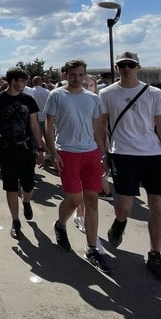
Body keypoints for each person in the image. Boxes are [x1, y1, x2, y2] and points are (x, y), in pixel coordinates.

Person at [97, 51, 161, 285]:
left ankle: (155, 255)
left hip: (153, 155)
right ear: (116, 67)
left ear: (138, 67)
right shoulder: (106, 93)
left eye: (130, 65)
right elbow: (102, 125)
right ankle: (119, 222)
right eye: (122, 65)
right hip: (122, 154)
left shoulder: (154, 93)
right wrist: (103, 153)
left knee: (157, 205)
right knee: (124, 205)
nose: (126, 68)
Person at [44, 60, 111, 272]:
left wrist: (103, 153)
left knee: (92, 199)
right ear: (65, 74)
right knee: (74, 199)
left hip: (91, 152)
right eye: (73, 74)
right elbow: (49, 124)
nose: (77, 78)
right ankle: (61, 223)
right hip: (67, 152)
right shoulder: (56, 95)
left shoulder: (93, 98)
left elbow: (98, 126)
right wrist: (52, 151)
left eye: (81, 74)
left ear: (85, 75)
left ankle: (92, 248)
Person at [0, 67, 45, 239]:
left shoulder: (29, 100)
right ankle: (15, 221)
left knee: (28, 185)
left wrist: (40, 148)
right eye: (23, 81)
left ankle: (26, 200)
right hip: (6, 148)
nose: (25, 84)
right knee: (10, 185)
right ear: (13, 81)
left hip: (26, 147)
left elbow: (34, 126)